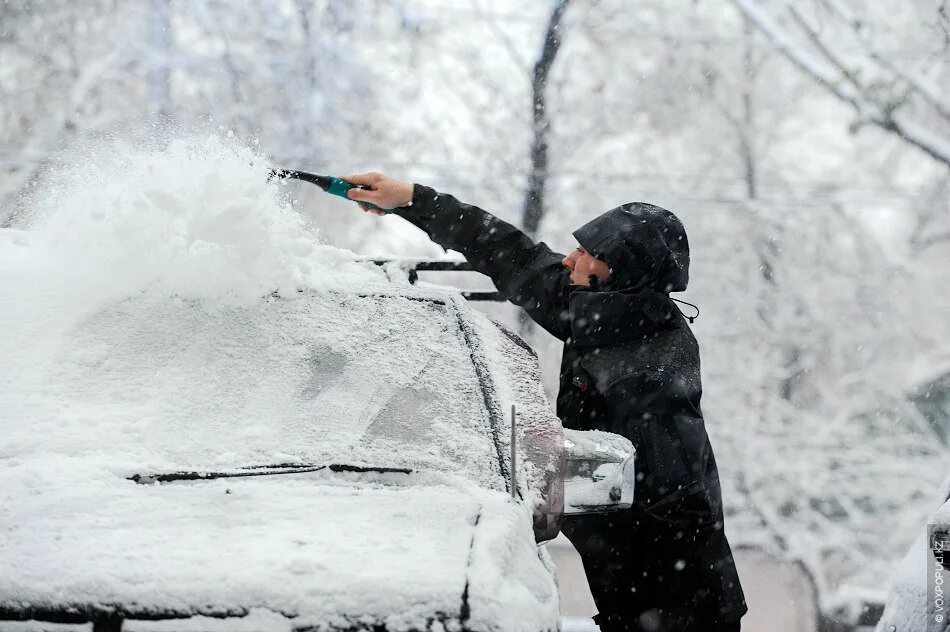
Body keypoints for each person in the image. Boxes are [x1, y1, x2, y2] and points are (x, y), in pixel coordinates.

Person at [343, 173, 748, 632]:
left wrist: (549, 473)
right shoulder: (602, 309)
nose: (569, 258)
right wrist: (413, 200)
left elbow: (671, 502)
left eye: (586, 254)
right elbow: (511, 253)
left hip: (676, 608)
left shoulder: (648, 376)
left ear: (616, 273)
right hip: (635, 598)